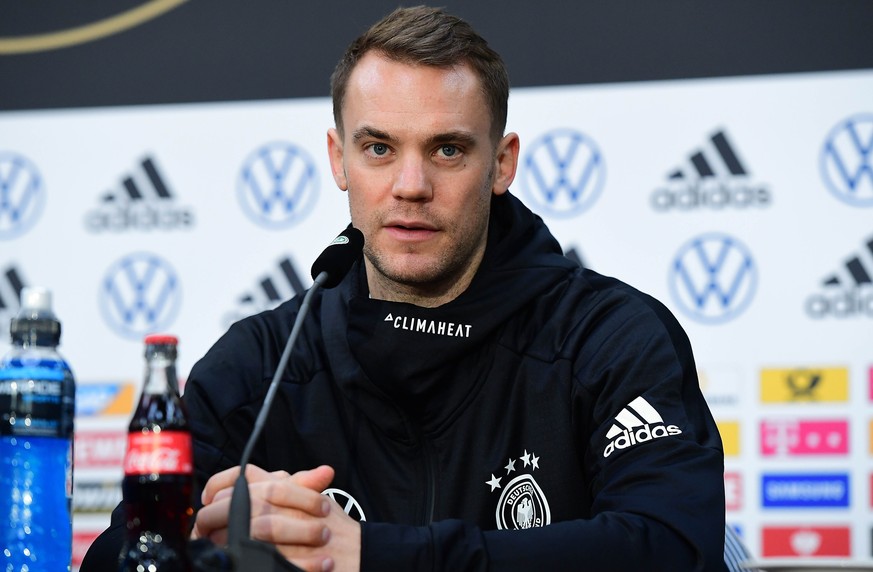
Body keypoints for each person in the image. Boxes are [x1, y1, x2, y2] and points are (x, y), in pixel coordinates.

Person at [83, 6, 725, 571]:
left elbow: (674, 546)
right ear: (339, 159)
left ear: (502, 163)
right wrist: (198, 544)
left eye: (447, 150)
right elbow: (116, 556)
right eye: (380, 148)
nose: (411, 185)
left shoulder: (609, 339)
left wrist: (368, 554)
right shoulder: (261, 364)